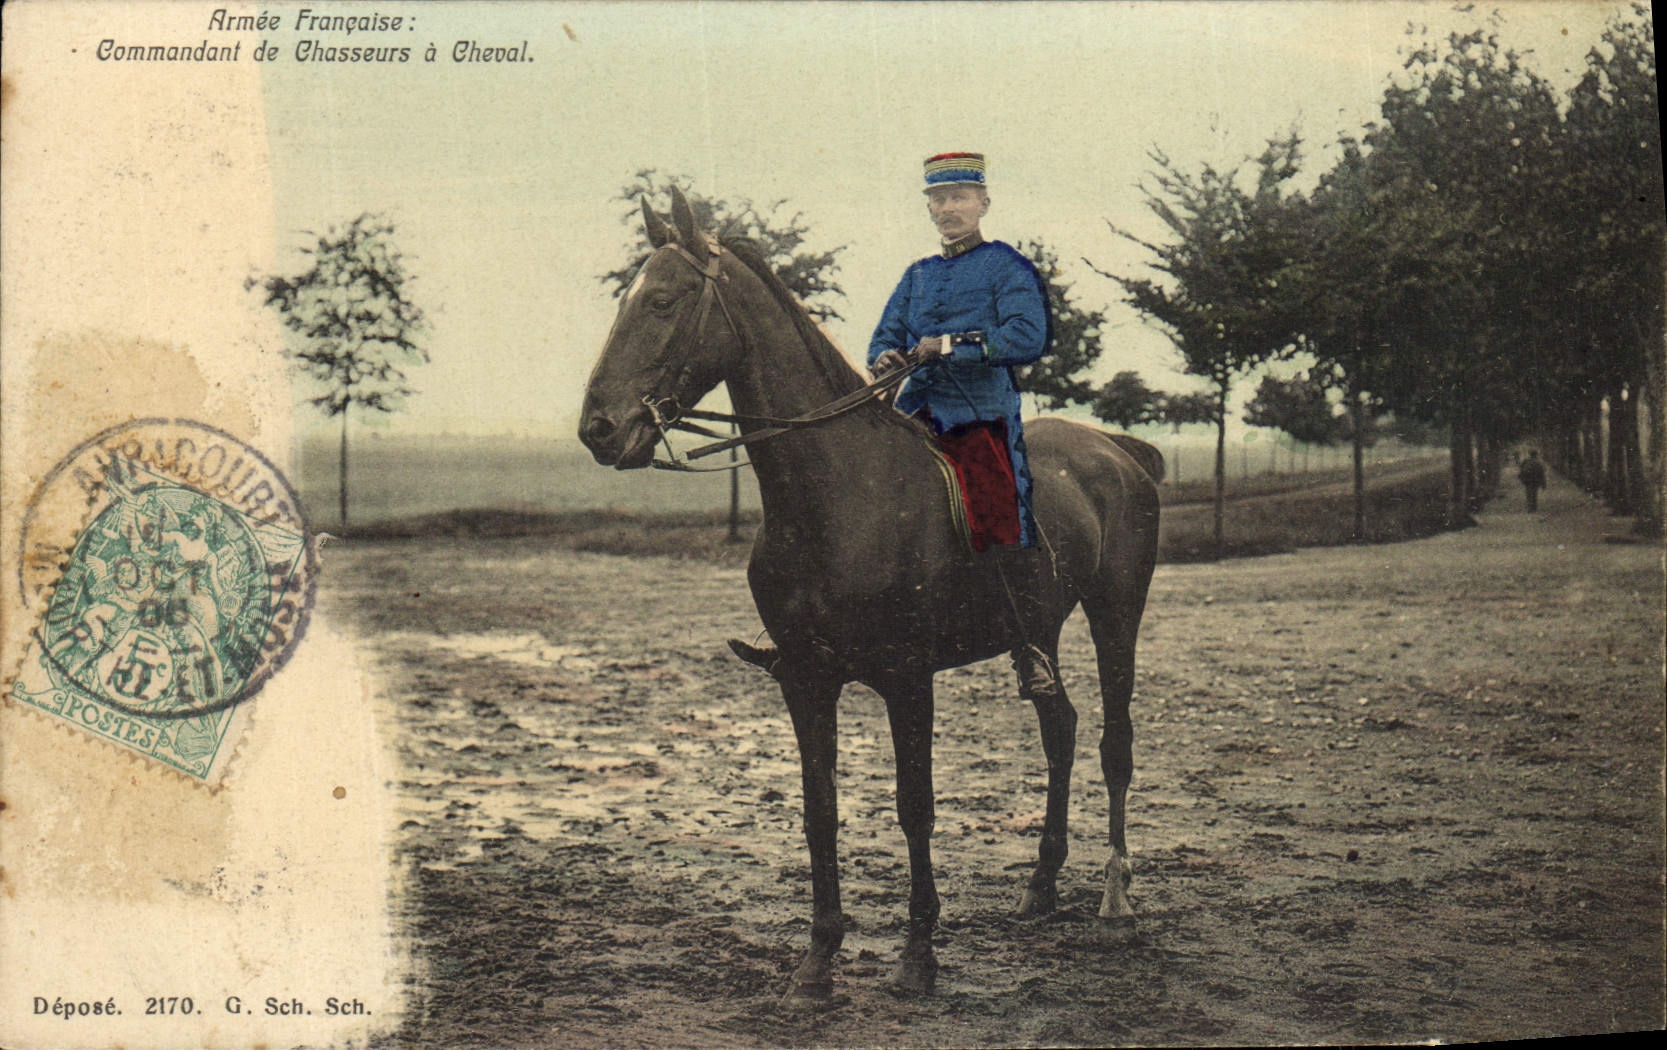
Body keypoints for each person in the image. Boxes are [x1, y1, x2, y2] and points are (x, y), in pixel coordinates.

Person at [867, 151, 1058, 695]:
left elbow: (1028, 337)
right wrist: (885, 357)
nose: (948, 208)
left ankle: (1027, 643)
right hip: (913, 411)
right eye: (938, 199)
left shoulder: (1006, 266)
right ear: (929, 208)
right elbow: (884, 337)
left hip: (977, 411)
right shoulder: (918, 275)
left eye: (959, 197)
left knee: (995, 502)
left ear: (983, 204)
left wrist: (952, 345)